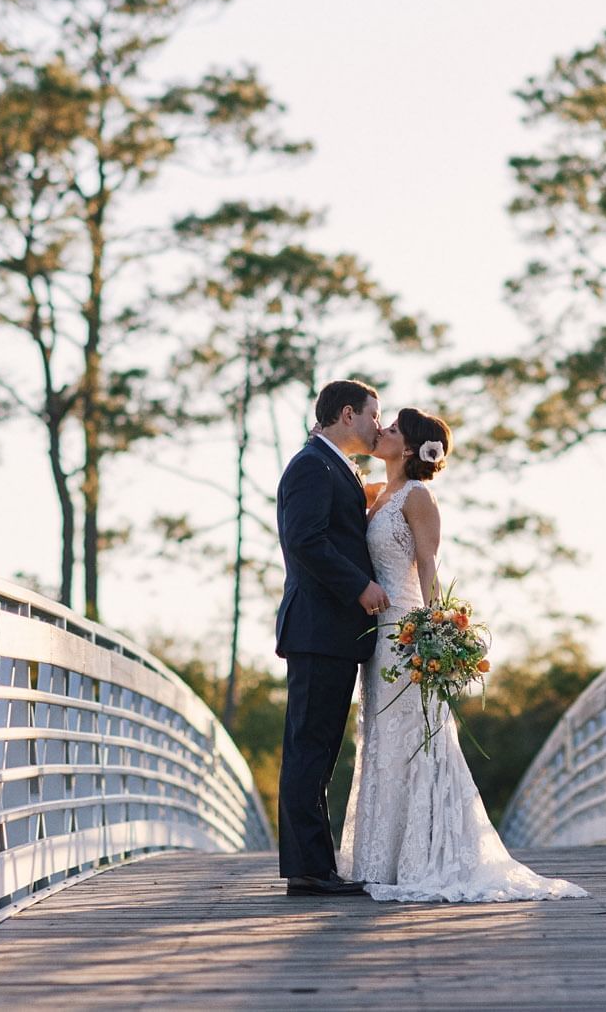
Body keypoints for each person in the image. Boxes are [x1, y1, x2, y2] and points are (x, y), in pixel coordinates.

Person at [337, 407, 587, 903]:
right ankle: (380, 859)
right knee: (382, 743)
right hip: (378, 635)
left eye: (391, 430)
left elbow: (429, 564)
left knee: (416, 739)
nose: (381, 432)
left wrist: (435, 631)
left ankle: (427, 857)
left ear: (408, 448)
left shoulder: (418, 496)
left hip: (407, 633)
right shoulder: (377, 493)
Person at [273, 379, 389, 896]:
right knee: (308, 749)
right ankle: (308, 870)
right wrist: (360, 585)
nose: (378, 426)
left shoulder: (330, 465)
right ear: (347, 414)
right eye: (373, 415)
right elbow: (306, 541)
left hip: (332, 632)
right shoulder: (309, 465)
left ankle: (315, 866)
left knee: (318, 750)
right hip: (319, 628)